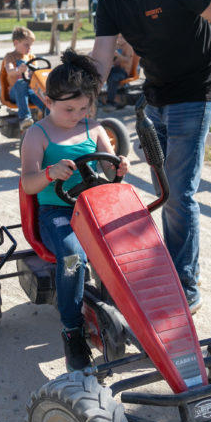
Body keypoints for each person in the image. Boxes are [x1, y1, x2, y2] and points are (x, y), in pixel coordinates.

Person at [89, 0, 211, 314]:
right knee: (164, 190)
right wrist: (83, 101)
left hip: (195, 91)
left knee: (179, 192)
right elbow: (102, 55)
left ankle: (186, 286)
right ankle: (171, 266)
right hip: (155, 94)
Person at [20, 49, 130, 370]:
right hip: (57, 215)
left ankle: (129, 310)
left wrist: (121, 165)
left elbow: (111, 172)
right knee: (72, 257)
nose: (77, 114)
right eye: (69, 108)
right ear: (48, 101)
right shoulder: (37, 135)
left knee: (129, 247)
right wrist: (50, 173)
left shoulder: (93, 129)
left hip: (93, 209)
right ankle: (72, 329)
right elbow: (28, 183)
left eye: (84, 107)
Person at [2, 26, 46, 130]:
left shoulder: (31, 57)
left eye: (31, 45)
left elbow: (37, 74)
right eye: (26, 45)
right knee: (21, 83)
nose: (29, 48)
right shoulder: (10, 56)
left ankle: (51, 117)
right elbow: (9, 71)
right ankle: (25, 118)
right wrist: (18, 70)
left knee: (44, 96)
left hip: (30, 91)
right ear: (16, 43)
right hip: (15, 92)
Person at [103, 33, 134, 110]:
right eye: (118, 37)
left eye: (122, 37)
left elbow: (127, 60)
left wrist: (118, 55)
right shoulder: (116, 46)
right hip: (116, 69)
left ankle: (111, 102)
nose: (120, 39)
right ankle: (100, 96)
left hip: (124, 71)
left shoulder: (128, 46)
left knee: (113, 78)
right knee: (104, 73)